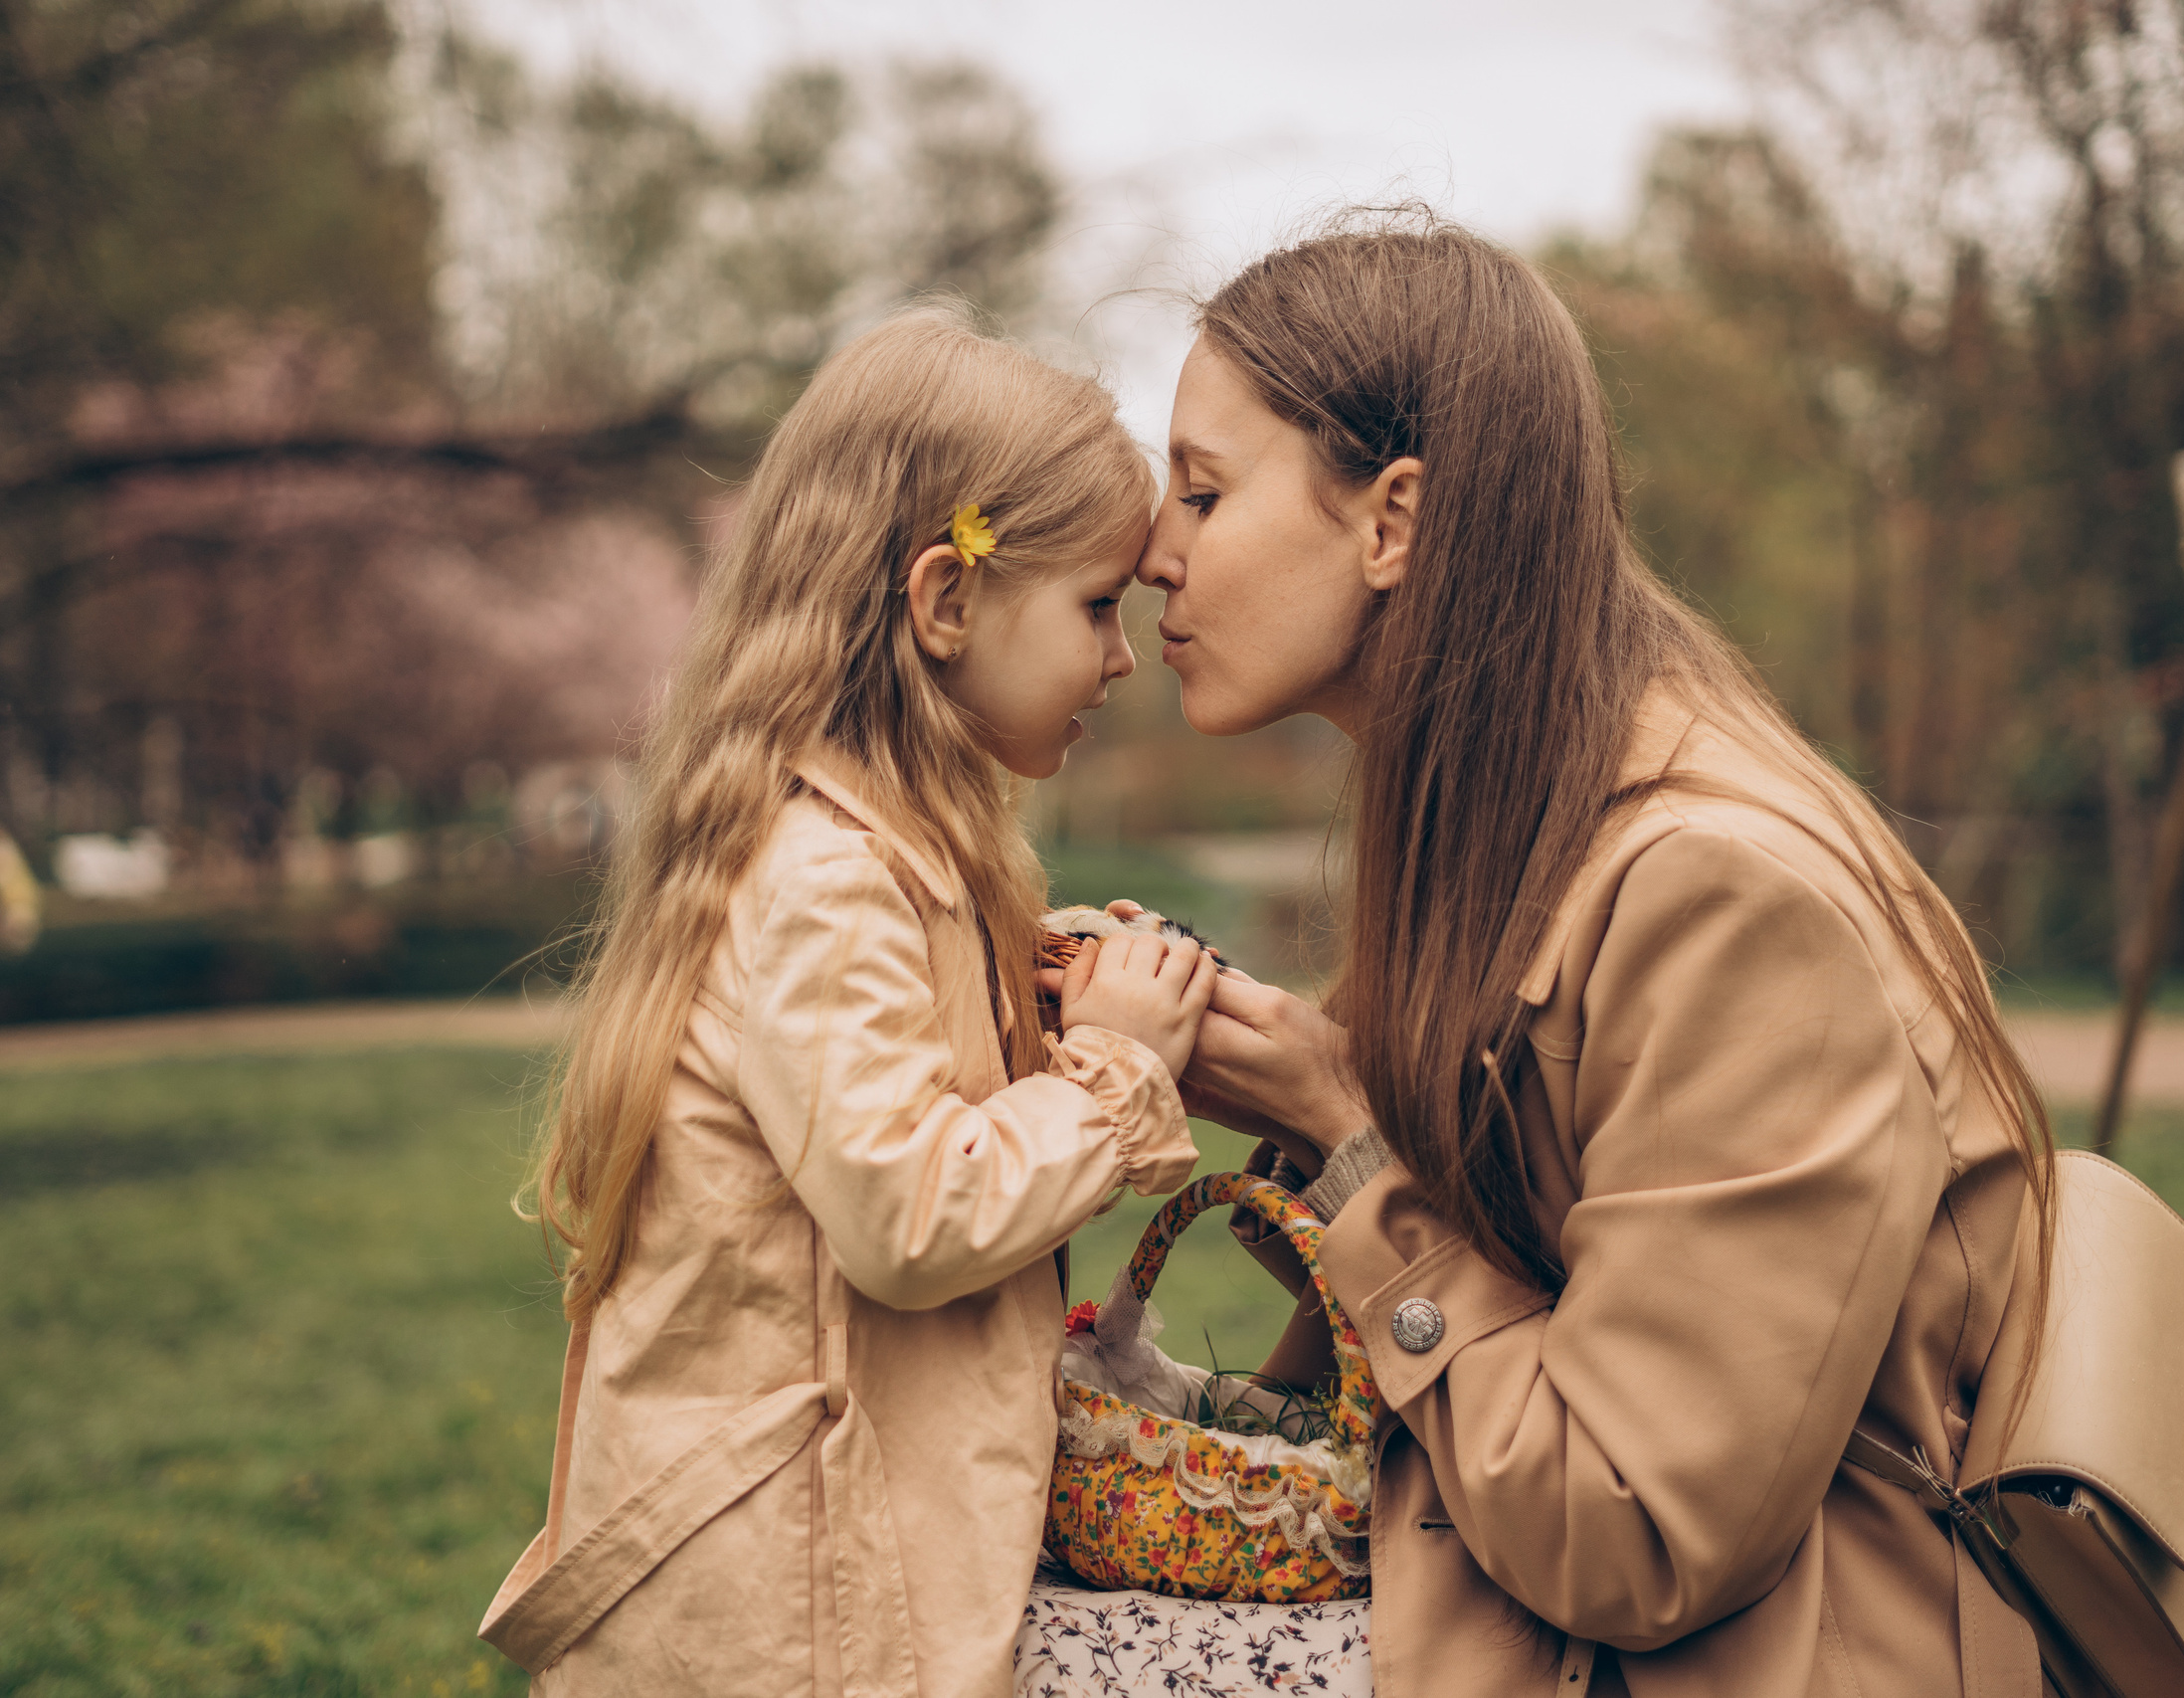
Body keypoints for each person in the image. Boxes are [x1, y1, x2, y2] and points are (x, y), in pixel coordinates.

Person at [1142, 220, 2060, 1696]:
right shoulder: (1512, 813)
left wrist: (1347, 1144)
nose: (1148, 550)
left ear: (1394, 523)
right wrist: (1294, 1084)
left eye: (1201, 489)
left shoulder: (1724, 901)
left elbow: (1634, 1530)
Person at [477, 308, 1217, 1698]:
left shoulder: (895, 861)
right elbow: (911, 1215)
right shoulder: (826, 879)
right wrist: (1112, 1069)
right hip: (791, 1605)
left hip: (822, 1567)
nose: (1124, 659)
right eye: (1097, 607)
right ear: (947, 603)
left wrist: (1040, 998)